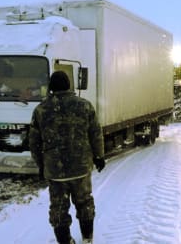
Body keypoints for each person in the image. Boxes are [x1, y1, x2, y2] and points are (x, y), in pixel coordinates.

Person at [28, 71, 105, 244]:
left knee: (58, 208)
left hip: (55, 171)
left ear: (51, 87)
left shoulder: (40, 110)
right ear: (69, 85)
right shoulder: (84, 106)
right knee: (84, 202)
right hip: (81, 167)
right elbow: (95, 133)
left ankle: (65, 240)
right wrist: (99, 156)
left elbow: (34, 143)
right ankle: (87, 238)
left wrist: (41, 166)